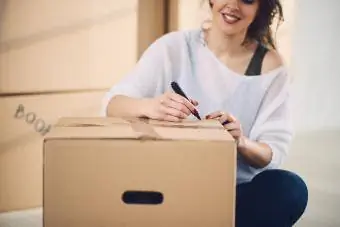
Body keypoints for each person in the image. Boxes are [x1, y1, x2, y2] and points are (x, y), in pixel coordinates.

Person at [102, 0, 308, 226]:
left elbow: (272, 153)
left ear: (261, 8)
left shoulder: (271, 67)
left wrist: (240, 141)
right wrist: (150, 106)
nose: (233, 5)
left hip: (231, 193)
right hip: (169, 185)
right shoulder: (173, 47)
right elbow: (112, 104)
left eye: (247, 0)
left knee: (290, 188)